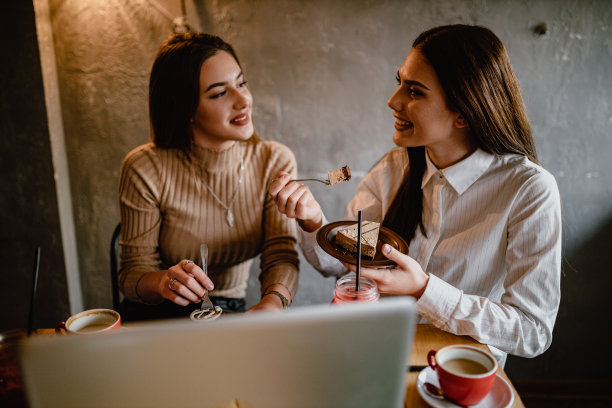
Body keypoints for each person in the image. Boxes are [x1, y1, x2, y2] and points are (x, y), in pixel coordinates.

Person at [269, 24, 561, 365]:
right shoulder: (394, 169)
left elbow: (531, 331)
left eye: (415, 91)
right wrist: (312, 220)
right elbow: (347, 264)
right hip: (377, 355)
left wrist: (424, 289)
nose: (393, 101)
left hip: (461, 372)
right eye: (400, 83)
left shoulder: (529, 190)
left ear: (463, 113)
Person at [118, 32, 299, 320]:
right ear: (186, 108)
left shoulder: (274, 161)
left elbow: (281, 253)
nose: (243, 101)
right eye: (219, 93)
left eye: (241, 83)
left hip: (229, 309)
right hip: (155, 317)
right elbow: (132, 273)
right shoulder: (144, 167)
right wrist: (163, 281)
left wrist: (273, 303)